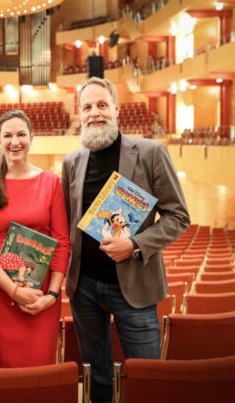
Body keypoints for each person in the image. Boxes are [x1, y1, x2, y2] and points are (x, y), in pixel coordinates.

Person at [61, 77, 190, 402]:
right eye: (87, 107)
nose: (95, 113)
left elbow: (178, 216)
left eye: (102, 105)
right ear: (80, 114)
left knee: (147, 375)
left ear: (116, 109)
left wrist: (134, 244)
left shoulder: (150, 152)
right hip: (85, 288)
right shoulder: (72, 162)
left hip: (134, 285)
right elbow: (66, 223)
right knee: (97, 375)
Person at [0, 110, 71, 368]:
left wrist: (52, 295)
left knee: (37, 369)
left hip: (39, 296)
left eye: (21, 134)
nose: (15, 142)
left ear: (31, 137)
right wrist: (13, 290)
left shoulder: (50, 182)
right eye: (8, 135)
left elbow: (61, 242)